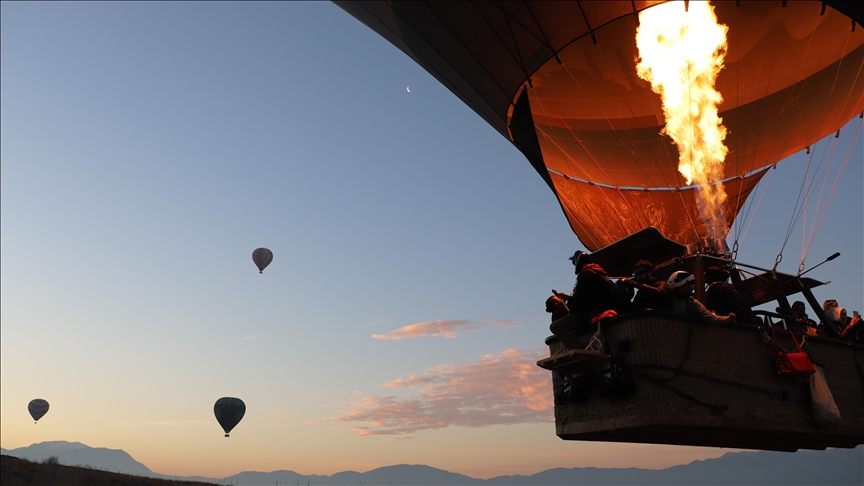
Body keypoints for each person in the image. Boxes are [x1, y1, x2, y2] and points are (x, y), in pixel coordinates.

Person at [550, 251, 615, 349]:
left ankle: (580, 350)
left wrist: (571, 306)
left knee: (555, 326)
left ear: (578, 261)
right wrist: (569, 298)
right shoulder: (601, 275)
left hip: (588, 315)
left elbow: (580, 301)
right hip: (602, 312)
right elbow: (590, 296)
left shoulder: (585, 275)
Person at [668, 271, 735, 324]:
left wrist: (727, 318)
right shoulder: (665, 299)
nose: (692, 287)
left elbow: (712, 318)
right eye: (690, 284)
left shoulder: (693, 303)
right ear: (681, 285)